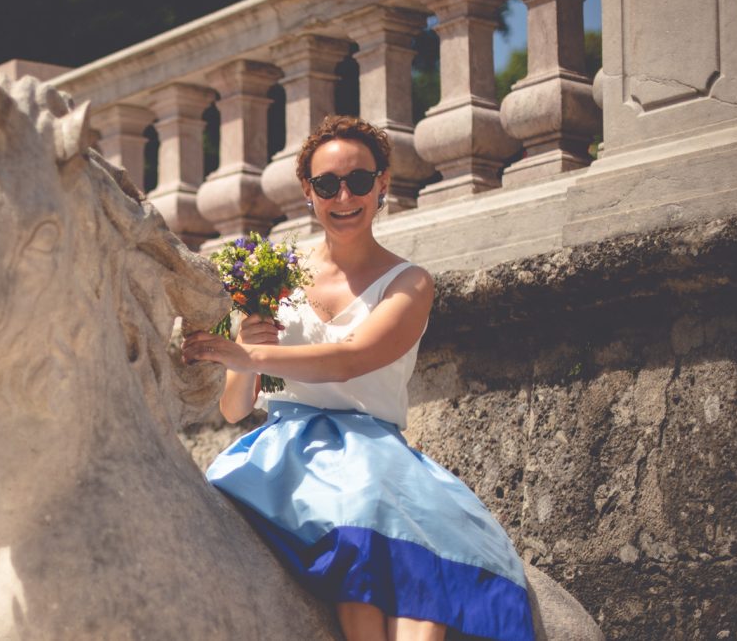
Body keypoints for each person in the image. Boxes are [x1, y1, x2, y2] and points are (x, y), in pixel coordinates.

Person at [182, 116, 534, 641]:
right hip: (282, 451)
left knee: (418, 565)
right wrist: (245, 353)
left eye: (359, 181)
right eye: (327, 184)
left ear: (383, 184)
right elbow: (235, 411)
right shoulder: (274, 272)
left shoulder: (410, 282)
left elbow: (351, 358)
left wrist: (250, 355)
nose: (343, 195)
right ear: (308, 191)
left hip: (372, 452)